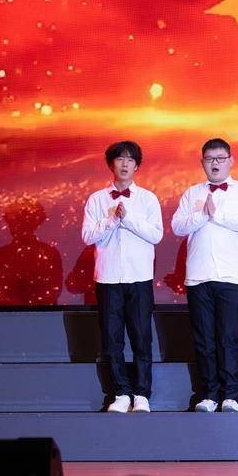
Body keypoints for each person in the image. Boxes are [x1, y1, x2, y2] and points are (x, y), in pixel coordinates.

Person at [170, 138, 238, 413]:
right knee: (204, 338)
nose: (215, 164)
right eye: (210, 159)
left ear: (231, 161)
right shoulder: (191, 193)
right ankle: (208, 394)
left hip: (233, 277)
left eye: (220, 158)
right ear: (202, 163)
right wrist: (202, 216)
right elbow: (177, 226)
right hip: (198, 277)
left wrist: (215, 215)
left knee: (229, 337)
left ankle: (231, 394)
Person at [81, 141, 163, 414]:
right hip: (108, 279)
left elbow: (156, 235)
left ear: (137, 166)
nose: (125, 164)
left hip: (139, 278)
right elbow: (87, 236)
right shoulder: (96, 199)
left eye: (130, 159)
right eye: (119, 159)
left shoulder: (148, 199)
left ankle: (142, 394)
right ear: (111, 164)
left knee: (141, 337)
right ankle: (120, 392)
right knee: (112, 339)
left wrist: (127, 219)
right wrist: (111, 220)